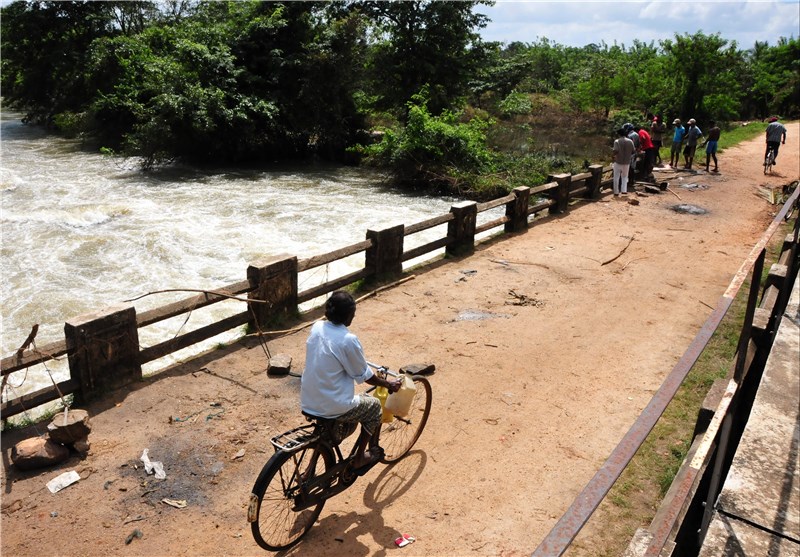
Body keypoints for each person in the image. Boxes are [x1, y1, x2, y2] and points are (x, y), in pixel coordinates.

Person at [301, 291, 400, 472]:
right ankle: (360, 458)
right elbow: (365, 376)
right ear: (348, 315)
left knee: (333, 424)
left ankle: (310, 467)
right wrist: (388, 384)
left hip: (308, 399)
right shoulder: (348, 340)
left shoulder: (317, 327)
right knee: (374, 407)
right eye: (352, 313)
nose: (353, 316)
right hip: (332, 404)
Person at [612, 128, 635, 197]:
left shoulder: (617, 141)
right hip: (627, 162)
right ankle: (624, 190)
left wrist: (612, 155)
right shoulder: (630, 141)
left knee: (616, 177)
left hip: (618, 161)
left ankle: (616, 192)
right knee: (625, 177)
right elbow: (633, 151)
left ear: (619, 134)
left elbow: (616, 150)